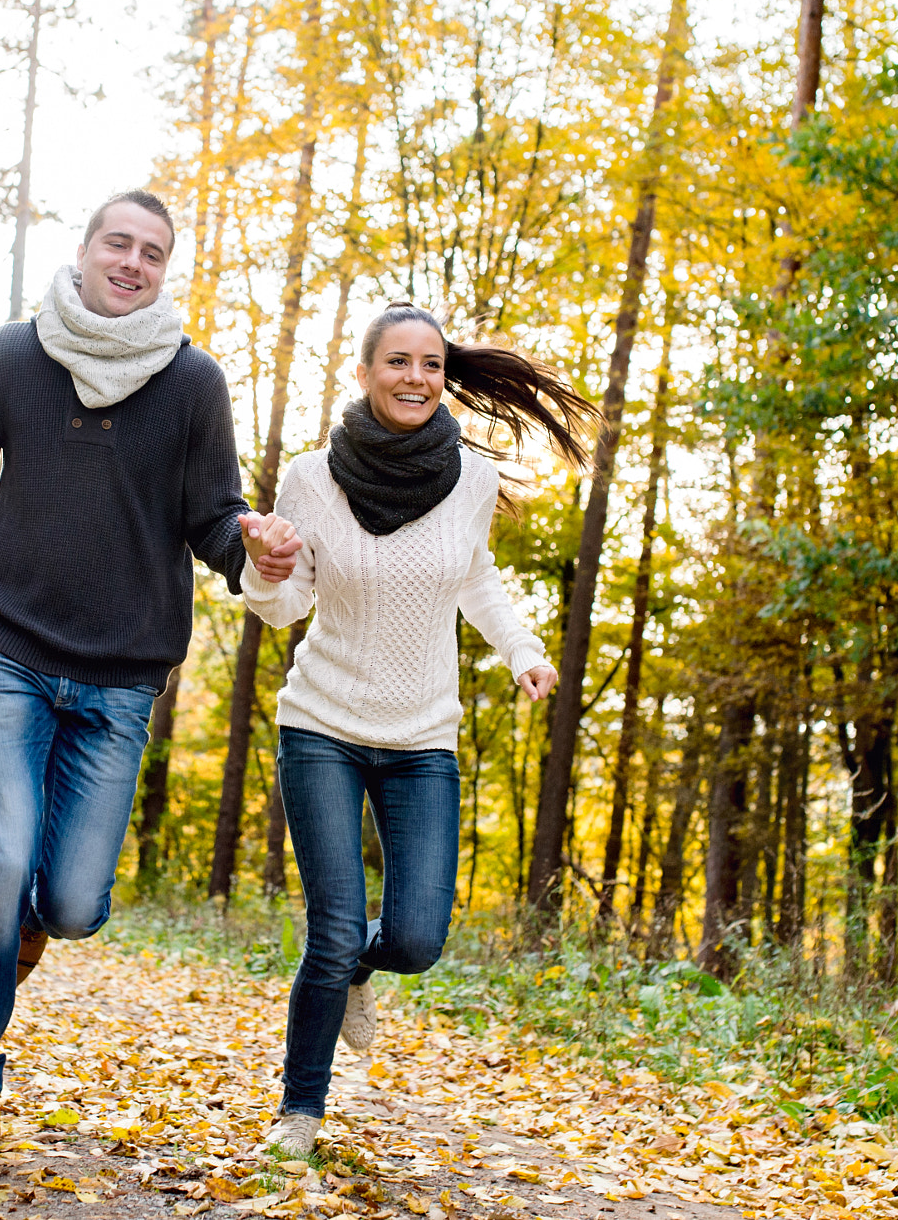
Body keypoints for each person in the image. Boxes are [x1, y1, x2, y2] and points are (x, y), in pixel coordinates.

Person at [0, 190, 300, 1149]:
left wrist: (254, 555)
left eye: (154, 252)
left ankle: (27, 925)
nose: (134, 262)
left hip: (121, 679)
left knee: (71, 903)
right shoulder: (14, 355)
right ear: (83, 250)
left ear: (164, 270)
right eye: (120, 242)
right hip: (10, 650)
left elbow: (212, 518)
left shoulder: (194, 382)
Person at [235, 302, 595, 1158]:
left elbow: (476, 578)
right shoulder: (311, 477)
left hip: (423, 736)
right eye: (397, 362)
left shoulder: (470, 479)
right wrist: (262, 564)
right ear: (363, 374)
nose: (415, 377)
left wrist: (523, 653)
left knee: (417, 938)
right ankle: (300, 1112)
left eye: (430, 364)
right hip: (321, 722)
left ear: (444, 378)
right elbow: (286, 603)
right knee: (332, 925)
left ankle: (364, 966)